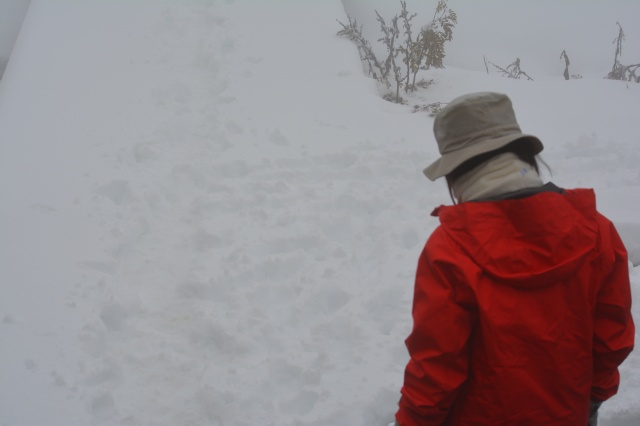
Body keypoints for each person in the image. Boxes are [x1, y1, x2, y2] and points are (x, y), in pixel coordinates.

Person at [393, 92, 635, 425]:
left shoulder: (450, 248)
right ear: (524, 155)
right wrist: (593, 398)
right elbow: (612, 336)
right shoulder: (596, 230)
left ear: (455, 172)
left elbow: (436, 365)